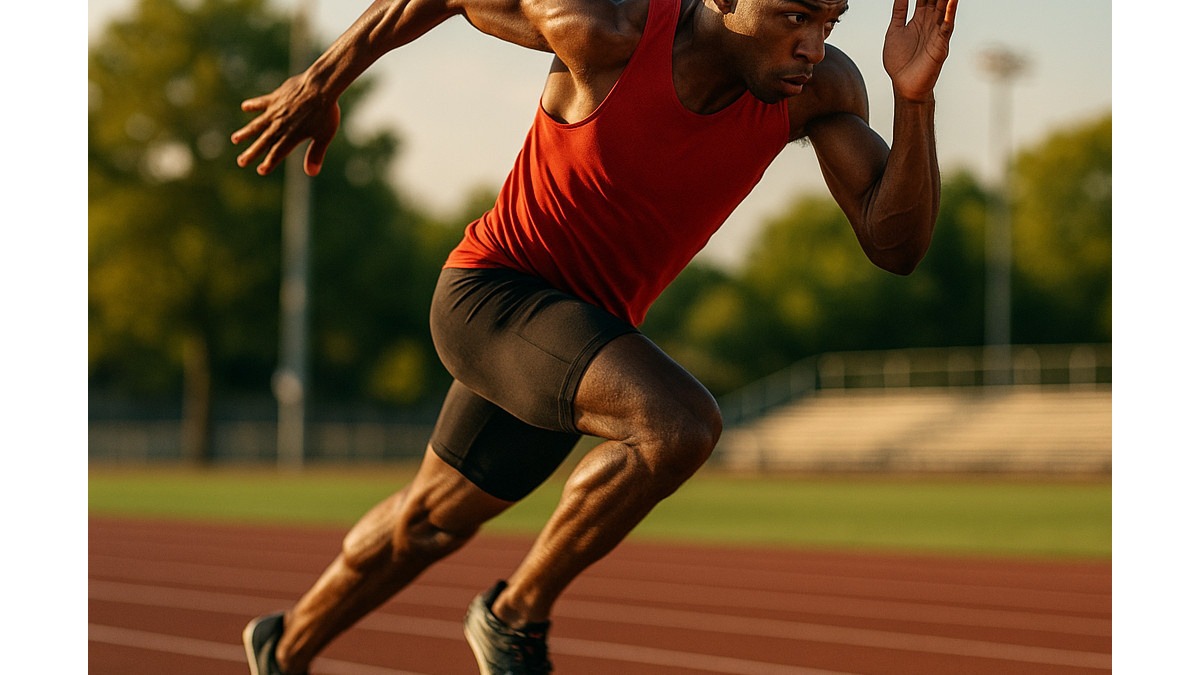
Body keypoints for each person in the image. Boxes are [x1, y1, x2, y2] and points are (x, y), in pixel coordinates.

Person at [232, 0, 958, 672]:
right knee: (677, 425)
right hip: (493, 293)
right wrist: (322, 81)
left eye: (830, 21)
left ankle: (283, 645)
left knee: (429, 522)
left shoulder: (821, 89)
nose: (812, 45)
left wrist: (914, 98)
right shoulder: (608, 29)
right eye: (795, 17)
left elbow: (894, 245)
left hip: (586, 331)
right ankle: (513, 614)